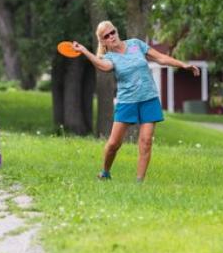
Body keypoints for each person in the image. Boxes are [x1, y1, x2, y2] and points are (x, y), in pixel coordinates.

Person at [72, 21, 200, 182]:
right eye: (107, 36)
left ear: (116, 31)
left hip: (149, 98)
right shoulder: (109, 57)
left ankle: (139, 182)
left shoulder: (135, 44)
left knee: (146, 141)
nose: (112, 36)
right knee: (113, 144)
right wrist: (84, 50)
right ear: (103, 41)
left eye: (113, 32)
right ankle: (105, 172)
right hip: (127, 102)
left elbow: (160, 58)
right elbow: (103, 66)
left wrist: (183, 65)